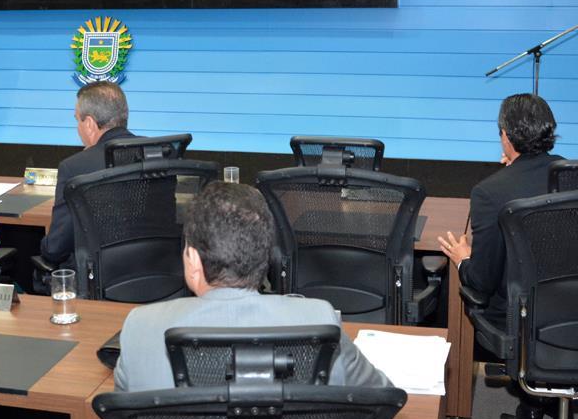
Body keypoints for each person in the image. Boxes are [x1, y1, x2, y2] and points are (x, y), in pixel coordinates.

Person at [114, 181, 392, 392]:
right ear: (266, 257)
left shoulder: (139, 328)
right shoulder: (319, 321)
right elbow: (384, 396)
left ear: (193, 260)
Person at [437, 93, 562, 328]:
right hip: (567, 308)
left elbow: (482, 281)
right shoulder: (570, 175)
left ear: (505, 136)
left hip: (515, 317)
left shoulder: (489, 193)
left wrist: (463, 258)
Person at [39, 81, 134, 271]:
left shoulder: (75, 167)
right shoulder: (159, 152)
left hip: (100, 283)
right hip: (157, 277)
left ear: (89, 124)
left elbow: (56, 248)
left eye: (77, 120)